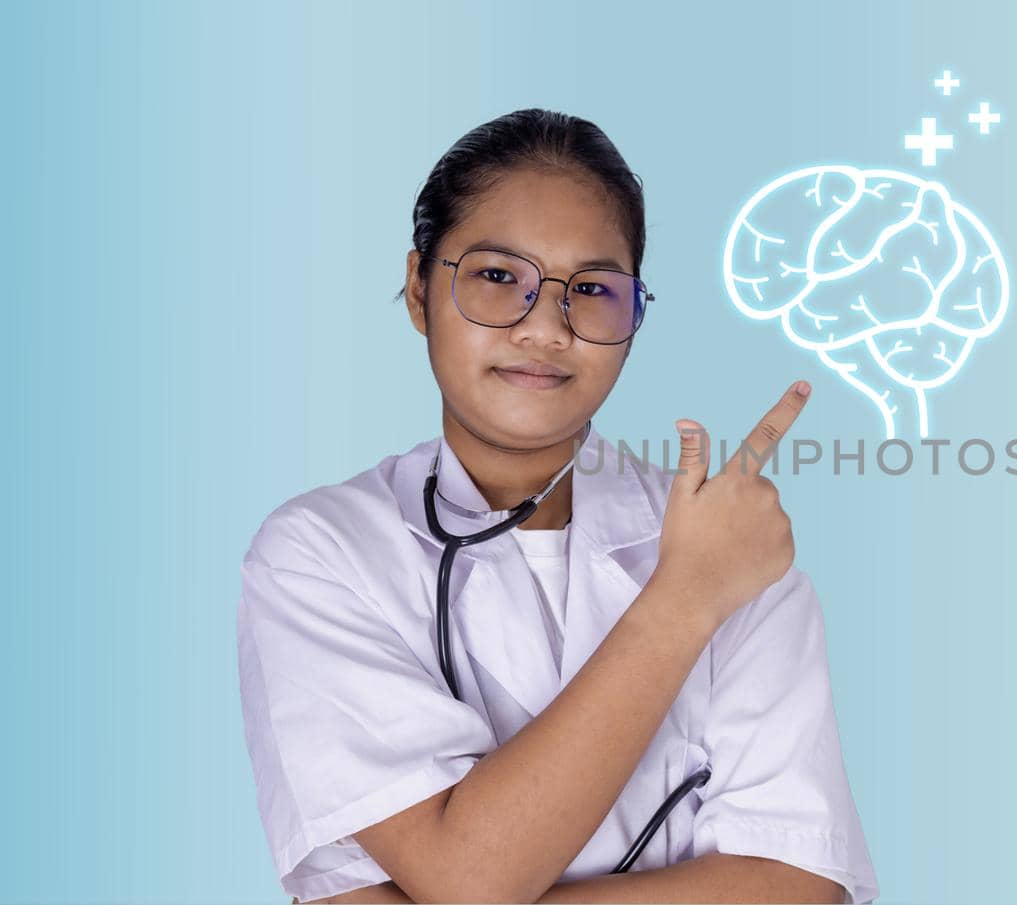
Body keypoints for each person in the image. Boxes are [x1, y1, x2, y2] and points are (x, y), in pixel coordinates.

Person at [235, 108, 878, 904]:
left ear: (635, 317)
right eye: (499, 276)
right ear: (416, 288)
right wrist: (683, 601)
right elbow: (469, 876)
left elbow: (799, 885)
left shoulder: (737, 548)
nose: (545, 326)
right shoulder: (322, 553)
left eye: (592, 289)